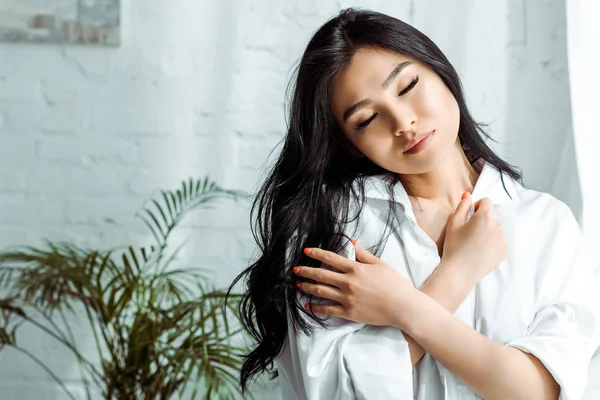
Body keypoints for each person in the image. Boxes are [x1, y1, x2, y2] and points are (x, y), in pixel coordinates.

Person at [229, 8, 600, 400]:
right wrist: (457, 273)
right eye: (367, 118)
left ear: (439, 69)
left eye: (406, 86)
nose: (403, 121)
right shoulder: (331, 233)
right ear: (350, 145)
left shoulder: (544, 224)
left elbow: (540, 392)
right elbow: (339, 394)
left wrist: (402, 306)